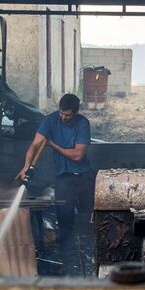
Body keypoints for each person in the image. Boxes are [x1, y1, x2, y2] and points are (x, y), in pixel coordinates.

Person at [17, 93, 94, 272]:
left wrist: (53, 145)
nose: (63, 117)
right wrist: (26, 166)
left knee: (89, 219)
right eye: (61, 113)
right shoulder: (50, 120)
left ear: (75, 113)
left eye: (67, 115)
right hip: (63, 177)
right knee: (65, 222)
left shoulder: (83, 123)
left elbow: (77, 155)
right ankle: (68, 265)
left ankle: (90, 262)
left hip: (84, 176)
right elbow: (34, 145)